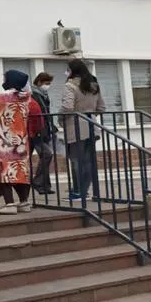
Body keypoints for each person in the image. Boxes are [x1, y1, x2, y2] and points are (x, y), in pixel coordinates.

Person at [0, 70, 43, 214]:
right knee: (21, 171)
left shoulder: (1, 97)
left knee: (4, 171)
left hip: (4, 140)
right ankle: (24, 202)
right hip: (21, 141)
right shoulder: (27, 98)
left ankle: (9, 204)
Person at [60, 59, 106, 201]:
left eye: (68, 69)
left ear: (72, 71)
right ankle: (86, 191)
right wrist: (90, 115)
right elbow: (101, 108)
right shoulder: (93, 85)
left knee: (76, 160)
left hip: (75, 127)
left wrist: (60, 118)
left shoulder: (70, 86)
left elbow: (67, 107)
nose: (66, 72)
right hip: (92, 126)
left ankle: (79, 192)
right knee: (88, 161)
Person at [30, 72, 57, 195]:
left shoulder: (43, 94)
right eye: (47, 83)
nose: (48, 86)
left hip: (45, 130)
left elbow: (46, 112)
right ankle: (38, 182)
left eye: (49, 84)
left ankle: (45, 186)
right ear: (40, 82)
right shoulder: (33, 94)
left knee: (45, 156)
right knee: (47, 154)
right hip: (37, 131)